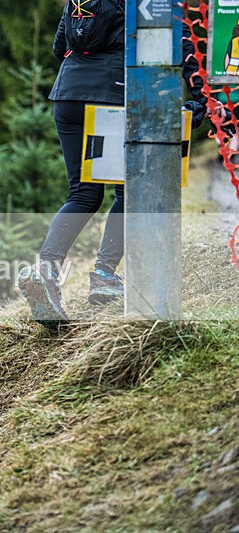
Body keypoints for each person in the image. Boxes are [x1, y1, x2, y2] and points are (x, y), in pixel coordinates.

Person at [17, 0, 208, 324]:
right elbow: (180, 39)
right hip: (115, 94)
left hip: (69, 94)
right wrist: (201, 97)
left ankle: (46, 271)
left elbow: (60, 45)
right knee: (129, 191)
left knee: (83, 193)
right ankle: (104, 275)